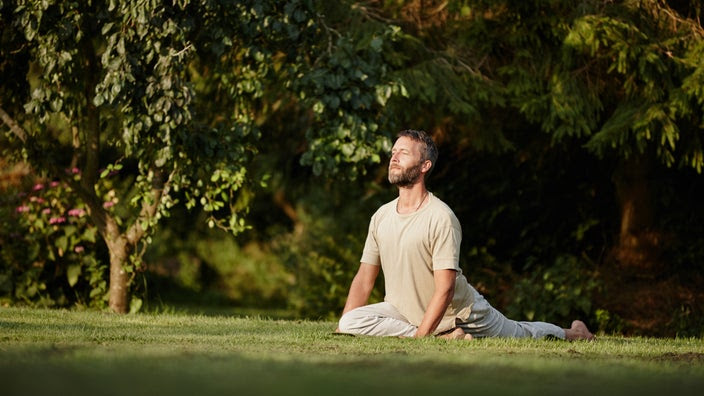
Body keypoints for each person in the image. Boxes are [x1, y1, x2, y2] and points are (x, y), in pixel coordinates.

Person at [336, 129, 595, 341]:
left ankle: (572, 333)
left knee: (519, 333)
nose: (394, 158)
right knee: (351, 320)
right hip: (404, 312)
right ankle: (441, 338)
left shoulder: (440, 217)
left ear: (425, 165)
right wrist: (342, 329)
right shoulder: (381, 216)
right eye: (393, 153)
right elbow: (363, 278)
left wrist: (420, 339)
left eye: (403, 153)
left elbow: (446, 288)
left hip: (461, 313)